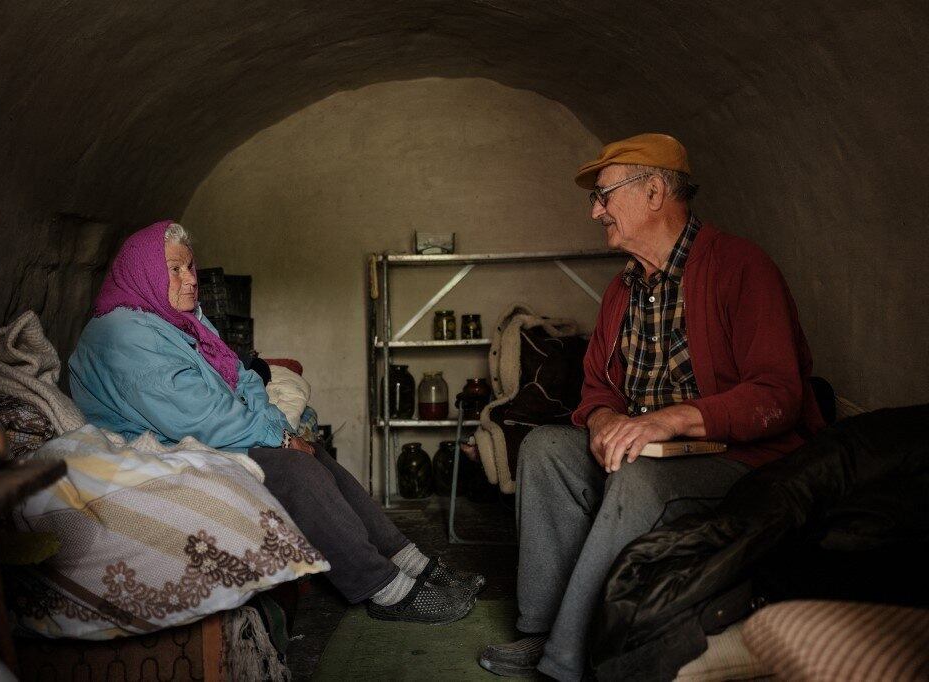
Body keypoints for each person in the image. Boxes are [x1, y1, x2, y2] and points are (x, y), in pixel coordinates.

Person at [479, 134, 825, 679]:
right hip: (648, 446)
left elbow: (778, 396)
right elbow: (596, 388)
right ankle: (542, 627)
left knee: (638, 474)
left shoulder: (740, 266)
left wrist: (668, 420)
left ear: (655, 192)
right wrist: (606, 418)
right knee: (544, 449)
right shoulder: (623, 290)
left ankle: (565, 661)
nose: (596, 211)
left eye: (604, 196)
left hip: (741, 458)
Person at [68, 220, 485, 624]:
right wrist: (278, 437)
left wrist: (278, 430)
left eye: (190, 266)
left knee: (312, 453)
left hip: (204, 435)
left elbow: (246, 377)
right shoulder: (122, 334)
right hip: (167, 447)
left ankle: (409, 560)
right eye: (174, 270)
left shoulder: (179, 322)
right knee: (295, 469)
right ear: (142, 273)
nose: (190, 279)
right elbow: (198, 416)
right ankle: (384, 589)